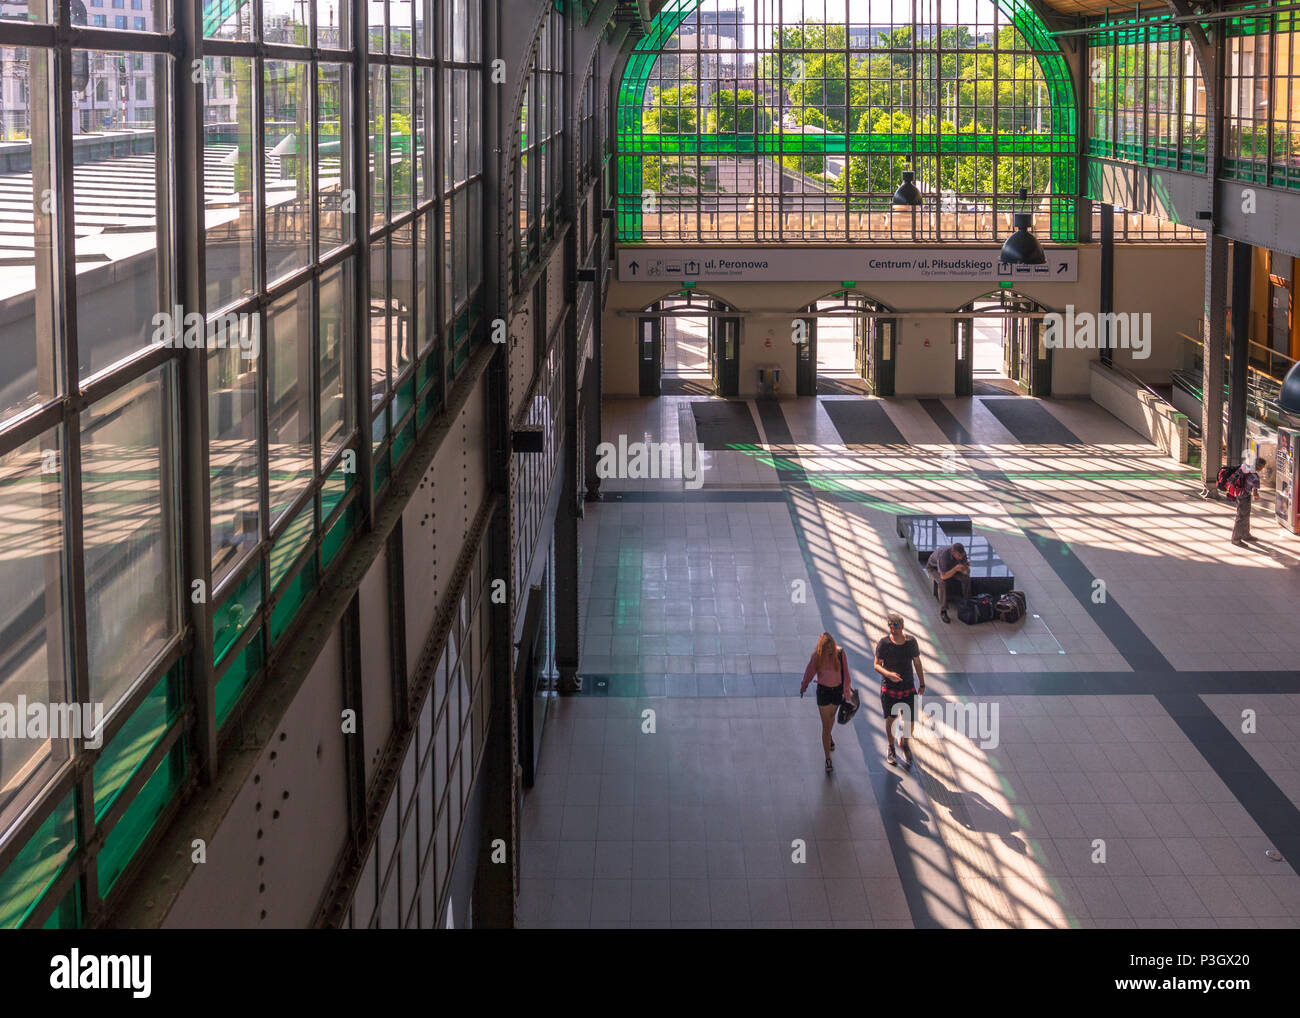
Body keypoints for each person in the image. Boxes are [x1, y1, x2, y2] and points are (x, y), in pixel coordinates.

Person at [874, 611, 926, 769]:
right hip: (890, 689)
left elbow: (917, 662)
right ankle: (891, 747)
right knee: (891, 719)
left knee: (910, 721)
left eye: (895, 625)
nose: (892, 628)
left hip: (908, 688)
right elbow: (876, 664)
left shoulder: (911, 642)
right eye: (890, 625)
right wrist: (888, 674)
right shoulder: (884, 644)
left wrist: (922, 683)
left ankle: (905, 742)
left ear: (902, 625)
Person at [800, 632, 852, 774]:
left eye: (831, 647)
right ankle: (827, 758)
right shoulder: (817, 656)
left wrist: (846, 691)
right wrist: (803, 686)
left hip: (837, 692)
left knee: (831, 719)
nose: (829, 650)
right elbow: (809, 673)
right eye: (826, 647)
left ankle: (828, 736)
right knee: (826, 724)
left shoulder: (840, 653)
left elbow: (846, 674)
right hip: (823, 692)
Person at [926, 541, 970, 623]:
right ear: (953, 553)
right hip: (934, 568)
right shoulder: (944, 556)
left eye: (962, 555)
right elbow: (943, 576)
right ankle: (943, 610)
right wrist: (956, 569)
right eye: (959, 556)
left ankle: (966, 601)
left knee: (966, 579)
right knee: (942, 583)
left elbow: (967, 572)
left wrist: (966, 569)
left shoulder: (962, 555)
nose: (961, 558)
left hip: (951, 568)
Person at [1230, 457, 1267, 546]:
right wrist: (1256, 495)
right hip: (1244, 496)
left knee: (1245, 515)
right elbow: (1255, 491)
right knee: (1241, 517)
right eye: (1262, 467)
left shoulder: (1245, 467)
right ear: (1258, 466)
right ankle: (1236, 539)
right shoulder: (1254, 476)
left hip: (1238, 493)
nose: (1262, 469)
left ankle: (1245, 534)